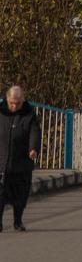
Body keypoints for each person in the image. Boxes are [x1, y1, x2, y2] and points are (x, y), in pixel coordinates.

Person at [0, 85, 41, 231]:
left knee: (20, 195)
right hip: (1, 161)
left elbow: (34, 132)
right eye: (12, 103)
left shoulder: (29, 113)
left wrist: (33, 148)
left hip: (21, 162)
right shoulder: (1, 111)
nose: (14, 106)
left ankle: (18, 221)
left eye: (17, 103)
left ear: (22, 101)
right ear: (7, 99)